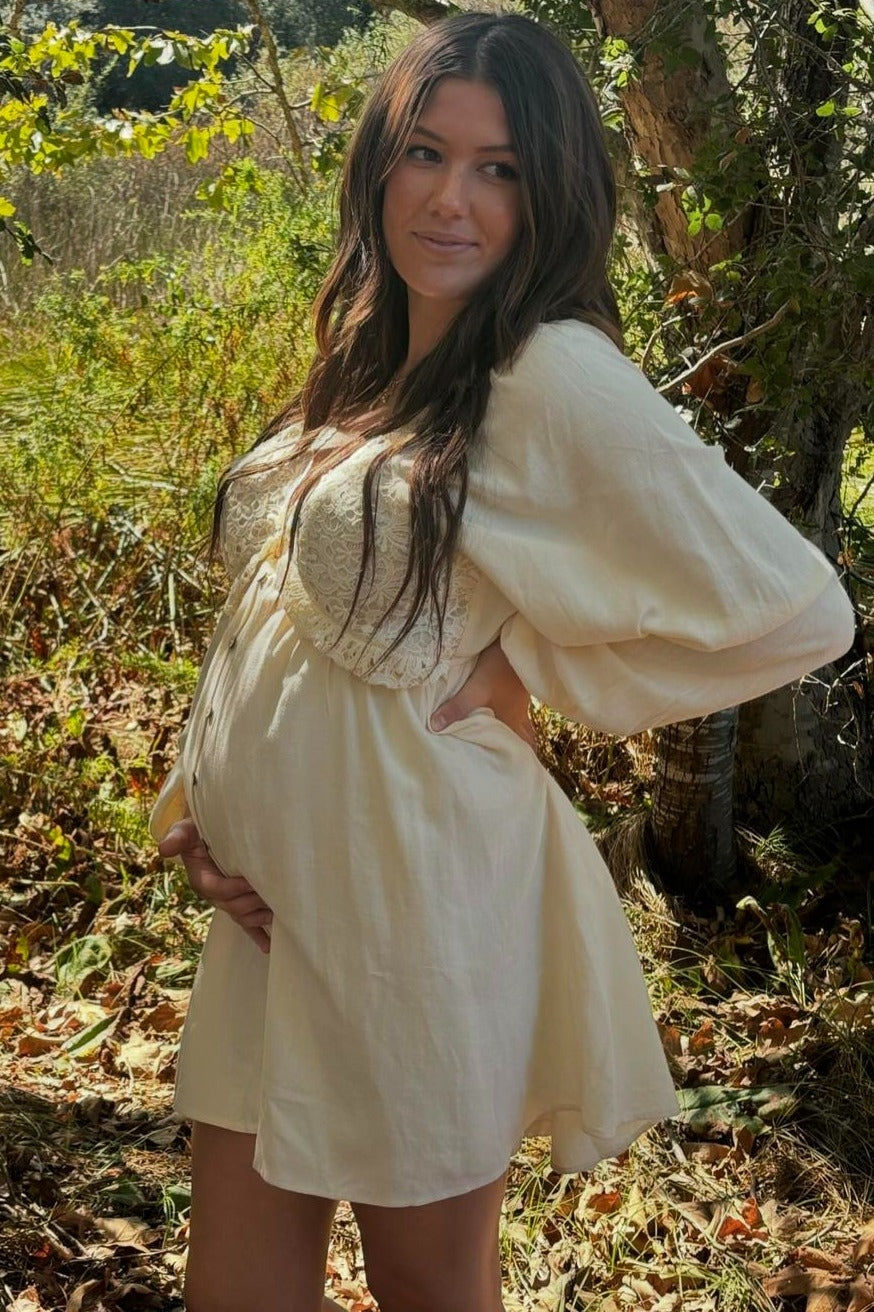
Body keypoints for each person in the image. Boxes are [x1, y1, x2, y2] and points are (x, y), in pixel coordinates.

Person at [150, 12, 854, 1312]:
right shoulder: (373, 356)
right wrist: (199, 806)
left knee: (429, 1288)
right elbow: (272, 609)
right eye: (425, 152)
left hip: (413, 906)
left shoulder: (549, 372)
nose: (450, 198)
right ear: (379, 164)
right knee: (234, 1292)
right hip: (267, 920)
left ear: (551, 194)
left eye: (499, 168)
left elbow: (800, 612)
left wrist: (530, 670)